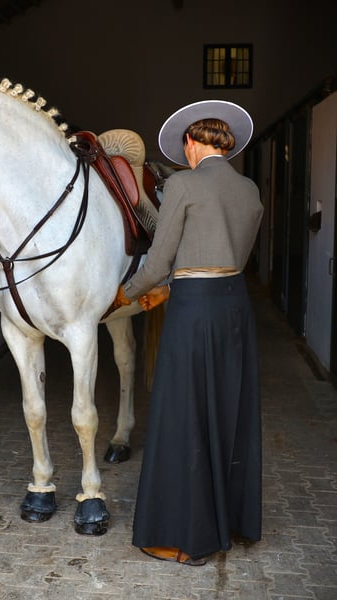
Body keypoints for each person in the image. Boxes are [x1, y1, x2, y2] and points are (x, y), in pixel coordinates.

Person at [113, 100, 264, 566]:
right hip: (234, 306)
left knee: (183, 414)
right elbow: (225, 255)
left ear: (190, 143)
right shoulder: (249, 189)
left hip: (194, 312)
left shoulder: (182, 183)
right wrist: (172, 286)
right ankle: (230, 522)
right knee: (227, 409)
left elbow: (160, 260)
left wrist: (124, 294)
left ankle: (185, 538)